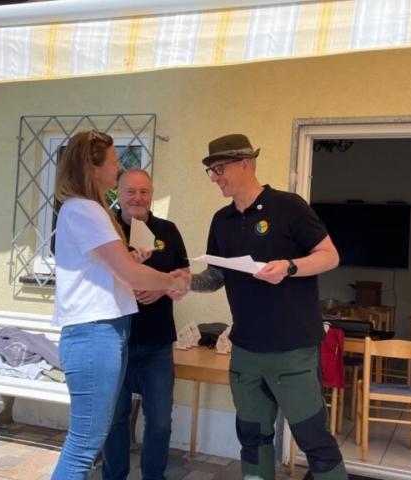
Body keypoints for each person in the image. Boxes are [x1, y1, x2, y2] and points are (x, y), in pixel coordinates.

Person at [185, 134, 348, 480]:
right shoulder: (221, 220)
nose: (214, 178)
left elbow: (330, 256)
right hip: (245, 350)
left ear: (245, 163)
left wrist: (289, 267)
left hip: (293, 350)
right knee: (252, 438)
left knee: (314, 441)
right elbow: (215, 277)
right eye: (211, 171)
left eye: (219, 169)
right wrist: (184, 283)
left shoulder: (289, 206)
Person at [50, 131, 189, 480]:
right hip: (95, 334)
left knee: (87, 442)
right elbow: (129, 274)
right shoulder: (86, 209)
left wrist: (130, 261)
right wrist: (172, 282)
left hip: (102, 333)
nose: (118, 168)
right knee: (84, 447)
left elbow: (109, 269)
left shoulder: (85, 209)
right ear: (91, 167)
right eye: (113, 162)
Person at [102, 169, 190, 480]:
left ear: (151, 194)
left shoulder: (167, 230)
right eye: (130, 191)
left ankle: (154, 476)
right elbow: (96, 278)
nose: (138, 198)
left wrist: (163, 288)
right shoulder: (107, 230)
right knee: (115, 420)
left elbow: (184, 277)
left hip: (157, 341)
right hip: (116, 341)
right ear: (118, 193)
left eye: (144, 191)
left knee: (160, 421)